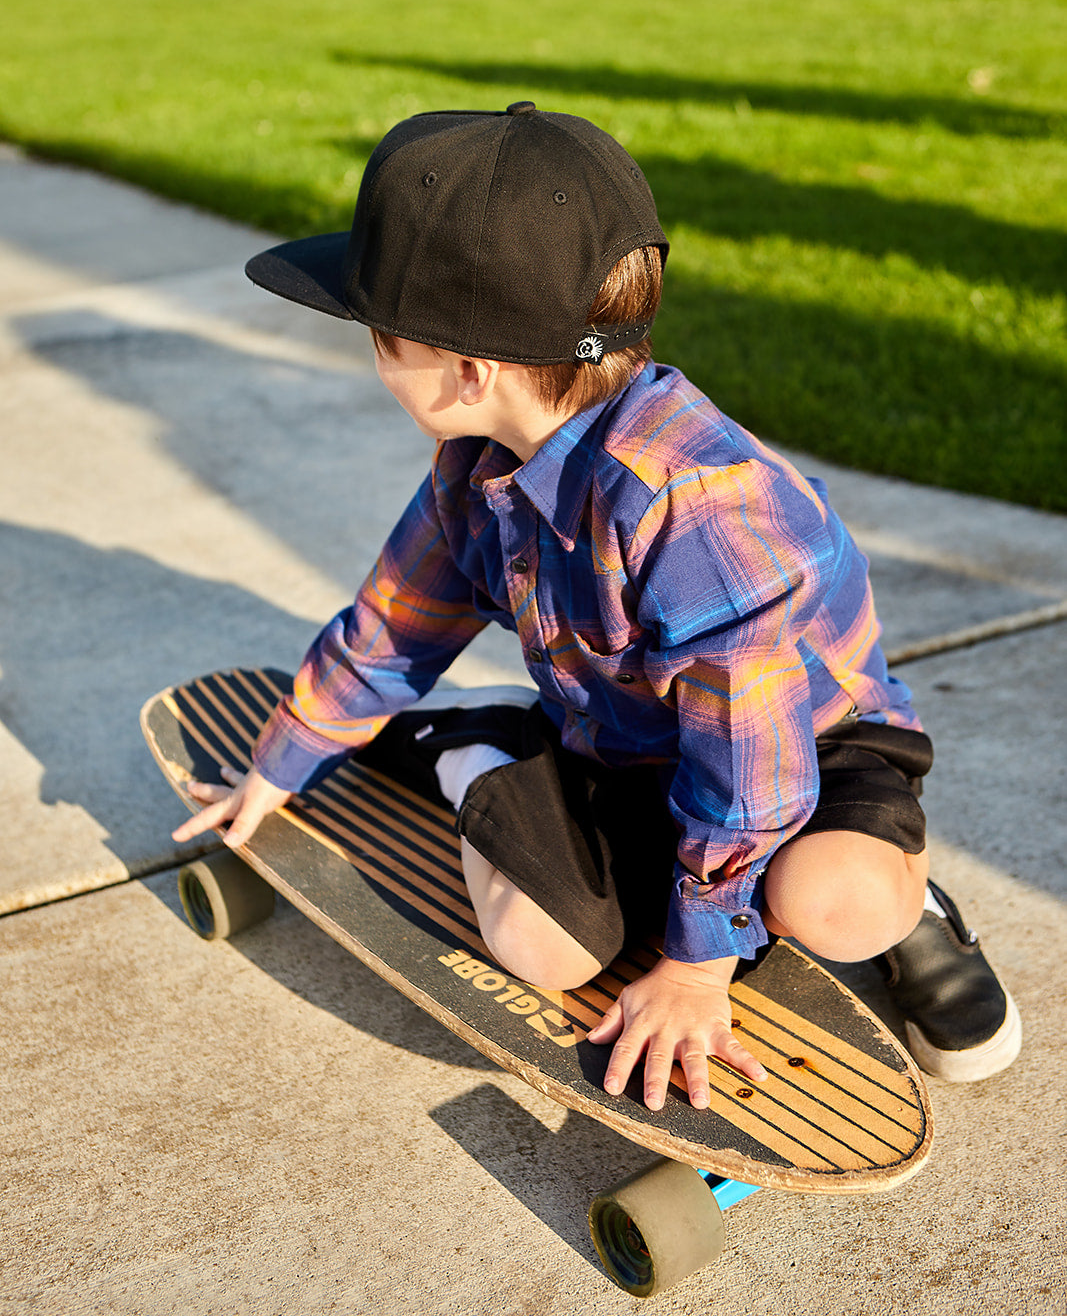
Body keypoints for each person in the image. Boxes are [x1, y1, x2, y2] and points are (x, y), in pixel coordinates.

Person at [173, 100, 1021, 1108]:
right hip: (616, 752)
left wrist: (697, 968)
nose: (371, 355)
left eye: (377, 335)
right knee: (542, 946)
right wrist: (285, 757)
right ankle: (470, 752)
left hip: (806, 745)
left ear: (468, 370)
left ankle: (912, 901)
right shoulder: (472, 471)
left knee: (833, 904)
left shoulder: (700, 513)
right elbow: (396, 621)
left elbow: (750, 772)